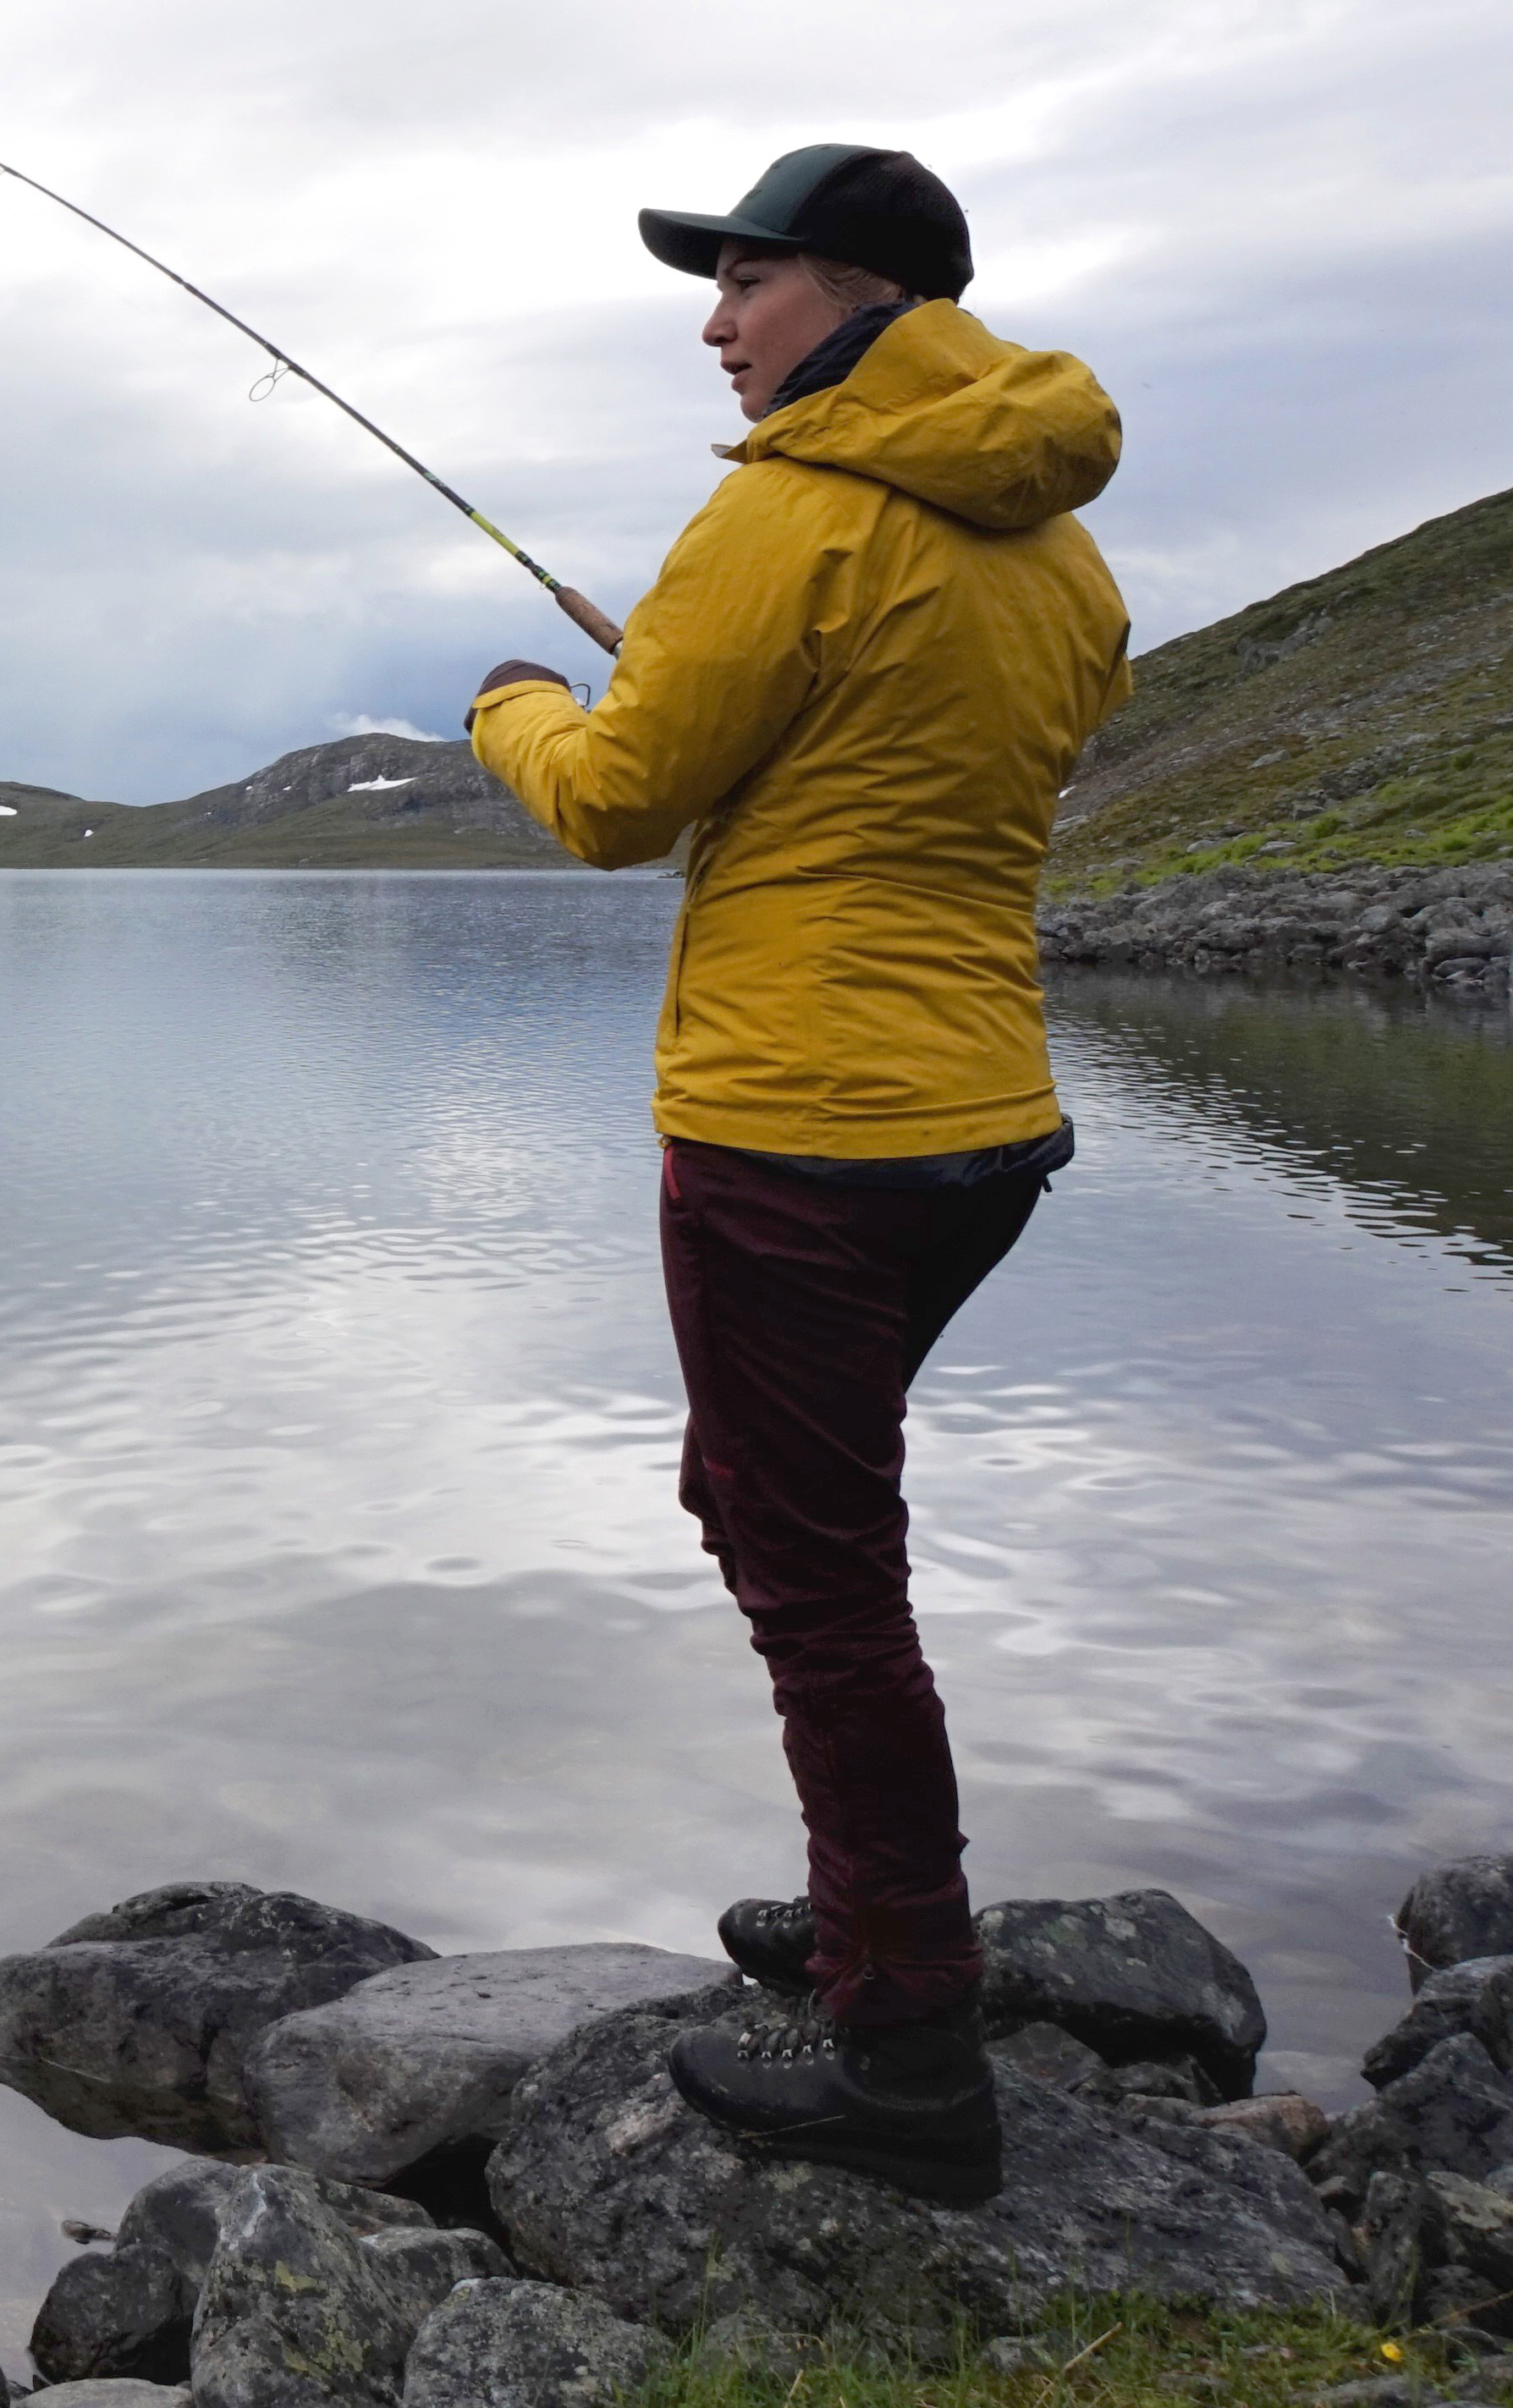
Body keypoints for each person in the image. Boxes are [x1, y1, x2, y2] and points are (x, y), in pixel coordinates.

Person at [461, 142, 1132, 2205]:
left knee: (819, 1583)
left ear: (849, 293)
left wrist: (515, 708)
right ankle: (872, 1920)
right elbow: (898, 763)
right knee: (775, 1502)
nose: (713, 320)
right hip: (980, 1124)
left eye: (741, 280)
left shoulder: (788, 515)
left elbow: (617, 806)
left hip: (795, 1132)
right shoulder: (1065, 554)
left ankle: (909, 2050)